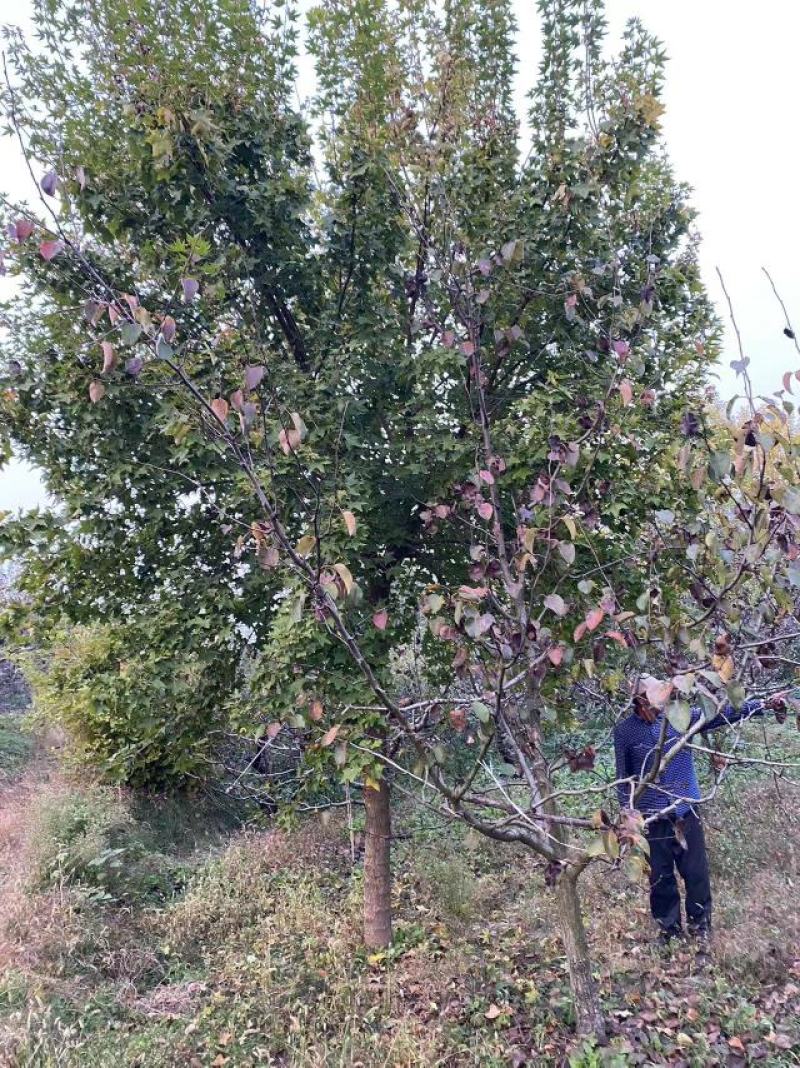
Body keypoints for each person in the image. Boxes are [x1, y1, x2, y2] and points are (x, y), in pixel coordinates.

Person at [613, 681, 788, 943]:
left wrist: (763, 705)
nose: (659, 703)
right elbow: (623, 778)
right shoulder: (625, 732)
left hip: (686, 810)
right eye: (652, 698)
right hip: (651, 818)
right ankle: (668, 931)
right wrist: (628, 819)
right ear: (639, 701)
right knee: (660, 878)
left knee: (696, 874)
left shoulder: (681, 717)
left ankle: (700, 928)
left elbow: (722, 713)